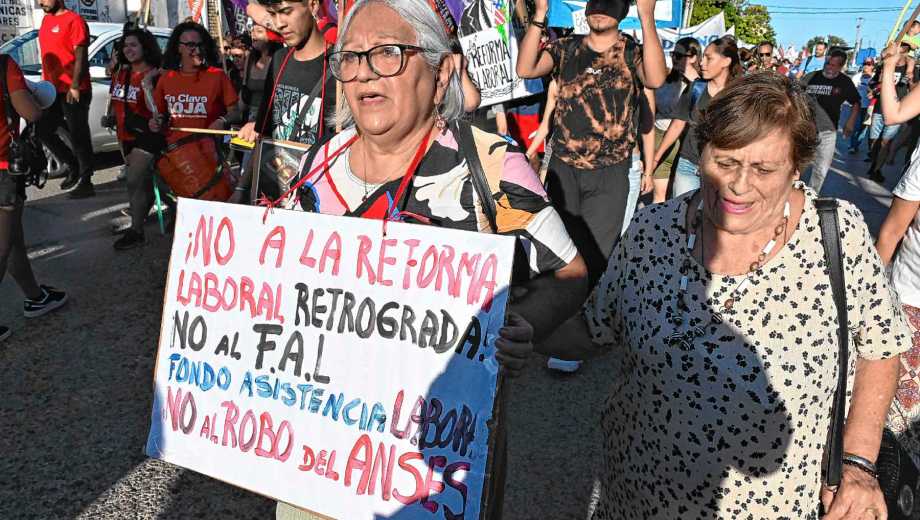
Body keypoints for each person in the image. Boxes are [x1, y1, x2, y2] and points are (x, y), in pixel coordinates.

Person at [539, 71, 909, 519]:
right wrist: (520, 323)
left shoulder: (838, 233)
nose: (739, 184)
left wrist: (858, 463)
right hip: (636, 497)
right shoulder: (652, 230)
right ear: (702, 151)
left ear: (796, 168)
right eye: (725, 162)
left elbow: (881, 347)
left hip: (772, 506)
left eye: (764, 169)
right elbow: (596, 327)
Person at [275, 1, 588, 518]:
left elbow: (569, 274)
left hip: (433, 469)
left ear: (442, 74)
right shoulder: (318, 163)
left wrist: (521, 326)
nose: (364, 73)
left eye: (388, 53)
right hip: (318, 454)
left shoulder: (490, 165)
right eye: (350, 57)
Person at [516, 0, 665, 373]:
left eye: (610, 4)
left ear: (622, 12)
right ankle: (556, 323)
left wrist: (647, 16)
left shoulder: (632, 51)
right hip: (564, 168)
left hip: (610, 172)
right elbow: (525, 68)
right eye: (595, 2)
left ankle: (578, 333)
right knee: (559, 252)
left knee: (596, 255)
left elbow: (656, 79)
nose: (600, 9)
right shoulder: (566, 48)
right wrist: (540, 14)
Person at [236, 0, 337, 201]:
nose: (279, 23)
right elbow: (263, 137)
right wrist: (241, 189)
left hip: (314, 199)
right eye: (273, 14)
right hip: (270, 195)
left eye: (286, 12)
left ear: (313, 5)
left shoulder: (340, 64)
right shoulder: (279, 60)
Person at [0, 56, 69, 342]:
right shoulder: (4, 65)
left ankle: (36, 296)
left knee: (12, 238)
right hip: (2, 170)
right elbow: (31, 112)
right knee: (2, 245)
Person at [150, 23, 238, 203]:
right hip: (177, 159)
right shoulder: (167, 79)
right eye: (191, 45)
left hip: (209, 157)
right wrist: (156, 123)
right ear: (178, 48)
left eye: (200, 45)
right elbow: (160, 116)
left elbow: (235, 112)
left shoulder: (217, 76)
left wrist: (222, 120)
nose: (197, 50)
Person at [654, 36, 742, 198]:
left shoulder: (738, 95)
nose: (702, 63)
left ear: (726, 61)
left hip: (721, 169)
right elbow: (678, 123)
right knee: (683, 210)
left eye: (709, 58)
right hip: (687, 164)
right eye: (703, 57)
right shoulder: (696, 88)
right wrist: (656, 157)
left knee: (712, 213)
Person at [109, 28, 165, 250]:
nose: (128, 49)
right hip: (125, 135)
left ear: (145, 47)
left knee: (134, 180)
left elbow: (158, 110)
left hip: (147, 135)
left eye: (133, 45)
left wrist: (147, 84)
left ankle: (136, 230)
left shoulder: (155, 75)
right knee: (142, 183)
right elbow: (116, 100)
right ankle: (142, 218)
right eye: (125, 46)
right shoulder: (121, 74)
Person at [36, 0, 95, 199]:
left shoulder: (74, 21)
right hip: (51, 89)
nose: (40, 2)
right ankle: (72, 165)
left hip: (73, 88)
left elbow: (81, 56)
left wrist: (75, 85)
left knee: (78, 134)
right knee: (43, 129)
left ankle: (86, 181)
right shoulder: (46, 21)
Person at [801, 48, 861, 194]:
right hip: (805, 129)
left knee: (821, 169)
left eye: (833, 65)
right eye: (827, 63)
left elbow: (856, 102)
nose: (828, 67)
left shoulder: (844, 82)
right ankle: (791, 193)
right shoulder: (811, 77)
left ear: (841, 66)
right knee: (797, 164)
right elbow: (795, 94)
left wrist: (850, 122)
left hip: (827, 131)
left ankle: (811, 196)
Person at [651, 36, 701, 203]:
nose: (674, 59)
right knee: (660, 196)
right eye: (673, 54)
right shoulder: (666, 79)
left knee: (679, 199)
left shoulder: (701, 86)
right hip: (660, 135)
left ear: (693, 57)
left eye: (679, 56)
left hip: (684, 142)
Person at [867, 41, 915, 184]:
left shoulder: (911, 69)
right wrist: (874, 90)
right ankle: (874, 163)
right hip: (879, 108)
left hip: (898, 108)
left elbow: (914, 88)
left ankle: (877, 169)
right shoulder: (884, 66)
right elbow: (872, 83)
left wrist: (909, 80)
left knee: (885, 142)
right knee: (873, 140)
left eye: (904, 47)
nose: (900, 49)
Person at [848, 59, 875, 154]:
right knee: (856, 127)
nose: (866, 66)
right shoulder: (856, 77)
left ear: (872, 66)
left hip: (869, 107)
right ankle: (852, 146)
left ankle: (856, 144)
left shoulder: (875, 77)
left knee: (864, 128)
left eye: (869, 64)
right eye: (865, 64)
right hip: (857, 105)